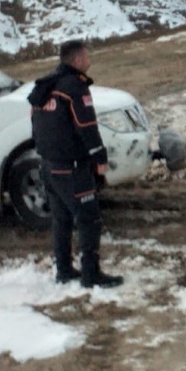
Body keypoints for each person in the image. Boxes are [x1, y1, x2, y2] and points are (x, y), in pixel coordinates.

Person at [28, 40, 123, 288]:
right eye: (87, 56)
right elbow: (87, 126)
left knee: (61, 220)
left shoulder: (45, 86)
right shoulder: (75, 88)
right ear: (78, 60)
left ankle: (64, 270)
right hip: (72, 167)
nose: (89, 60)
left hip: (48, 166)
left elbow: (35, 125)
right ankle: (91, 275)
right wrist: (99, 158)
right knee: (88, 219)